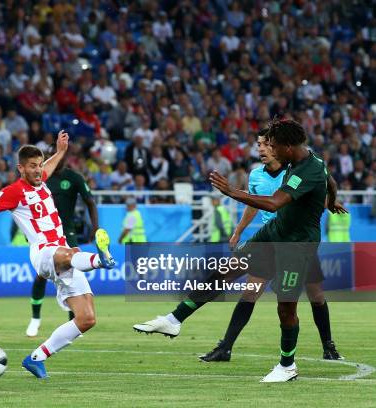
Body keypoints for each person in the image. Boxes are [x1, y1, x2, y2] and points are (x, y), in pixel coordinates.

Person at [133, 120, 346, 382]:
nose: (271, 150)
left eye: (274, 146)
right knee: (225, 272)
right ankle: (174, 320)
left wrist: (231, 191)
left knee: (286, 308)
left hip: (297, 244)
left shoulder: (307, 169)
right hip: (275, 233)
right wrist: (333, 201)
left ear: (288, 147)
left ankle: (287, 366)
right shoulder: (306, 158)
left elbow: (273, 204)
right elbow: (331, 180)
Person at [0, 131, 116, 379]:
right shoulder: (14, 191)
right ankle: (99, 260)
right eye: (32, 166)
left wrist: (61, 151)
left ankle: (36, 358)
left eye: (40, 165)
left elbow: (49, 166)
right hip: (43, 252)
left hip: (62, 252)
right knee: (72, 253)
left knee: (87, 319)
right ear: (21, 168)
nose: (39, 170)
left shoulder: (41, 180)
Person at [200, 131, 342, 363]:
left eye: (266, 144)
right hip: (269, 240)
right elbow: (253, 207)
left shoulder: (296, 168)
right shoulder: (256, 175)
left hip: (298, 242)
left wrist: (330, 201)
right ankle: (225, 347)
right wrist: (238, 230)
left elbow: (319, 185)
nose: (262, 149)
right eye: (259, 145)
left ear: (280, 147)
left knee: (315, 295)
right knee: (250, 293)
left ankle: (328, 346)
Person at [25, 143, 100, 337]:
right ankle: (35, 318)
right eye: (49, 155)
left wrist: (95, 227)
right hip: (43, 235)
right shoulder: (38, 180)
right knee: (41, 276)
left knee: (72, 275)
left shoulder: (73, 177)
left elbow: (90, 202)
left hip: (67, 232)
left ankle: (73, 323)